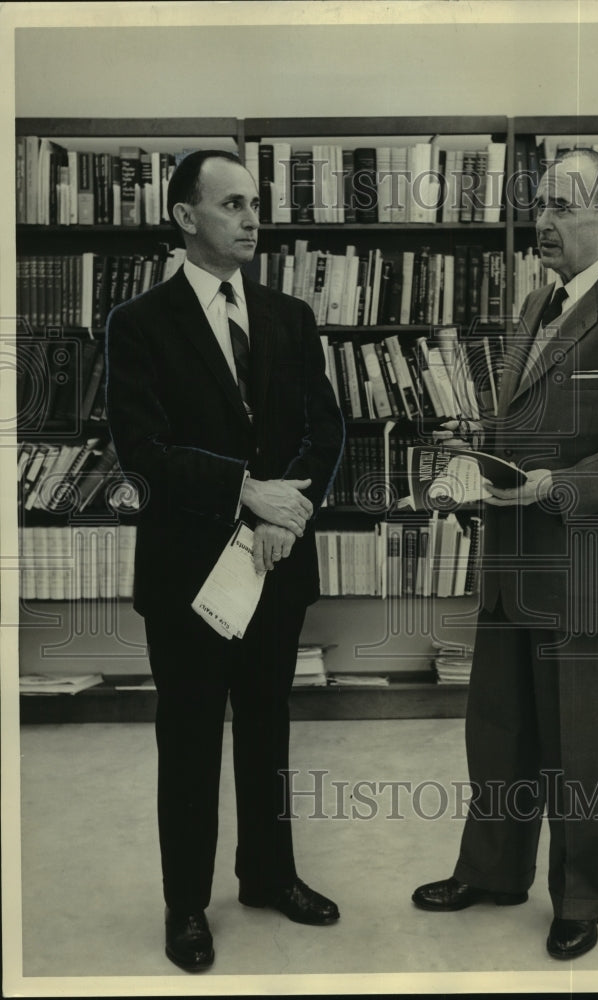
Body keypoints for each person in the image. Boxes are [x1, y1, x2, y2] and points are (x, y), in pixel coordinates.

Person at [412, 149, 598, 960]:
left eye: (564, 206)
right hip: (513, 566)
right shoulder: (539, 302)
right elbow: (530, 427)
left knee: (578, 749)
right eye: (540, 203)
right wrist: (477, 451)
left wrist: (559, 486)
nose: (545, 219)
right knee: (498, 732)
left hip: (588, 571)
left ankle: (577, 901)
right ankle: (494, 873)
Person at [105, 149, 345, 972]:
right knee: (192, 739)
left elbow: (325, 429)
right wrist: (250, 492)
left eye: (256, 204)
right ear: (184, 215)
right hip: (188, 577)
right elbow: (140, 451)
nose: (252, 219)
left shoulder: (289, 317)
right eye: (233, 204)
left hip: (275, 563)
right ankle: (185, 906)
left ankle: (269, 877)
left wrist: (289, 513)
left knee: (269, 730)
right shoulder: (138, 326)